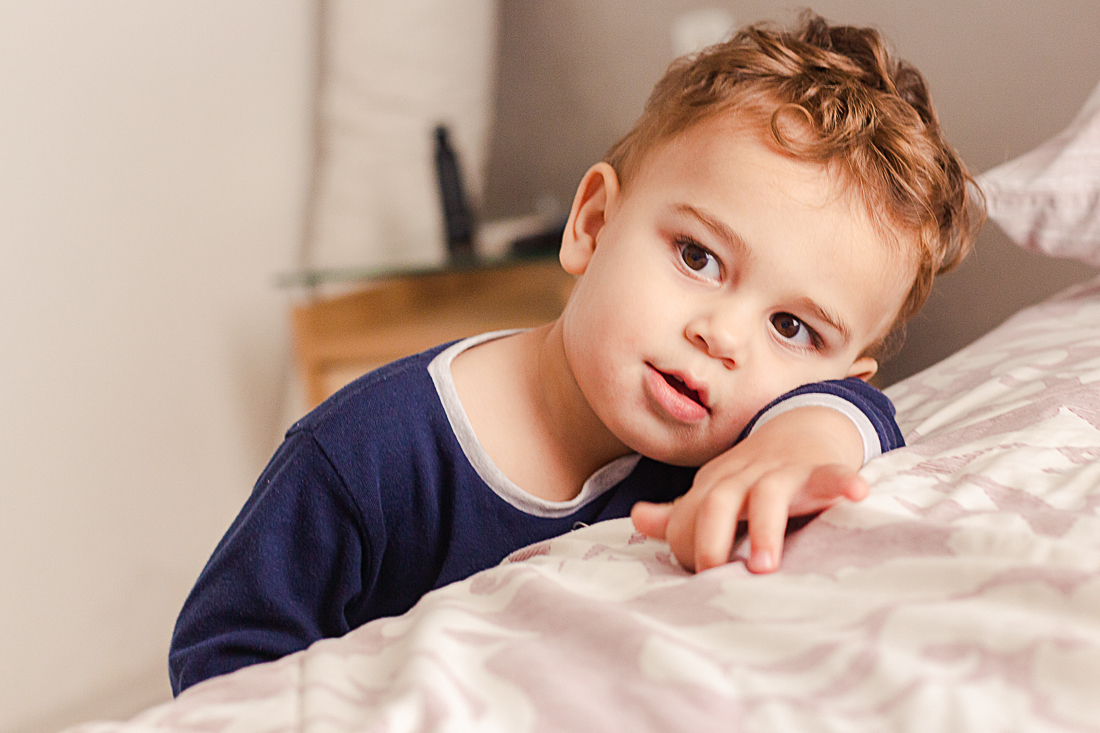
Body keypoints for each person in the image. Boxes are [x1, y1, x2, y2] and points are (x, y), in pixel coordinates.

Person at [168, 11, 979, 695]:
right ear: (592, 224)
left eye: (792, 329)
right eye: (697, 256)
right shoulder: (363, 455)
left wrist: (807, 436)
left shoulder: (742, 443)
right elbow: (221, 663)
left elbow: (863, 416)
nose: (722, 337)